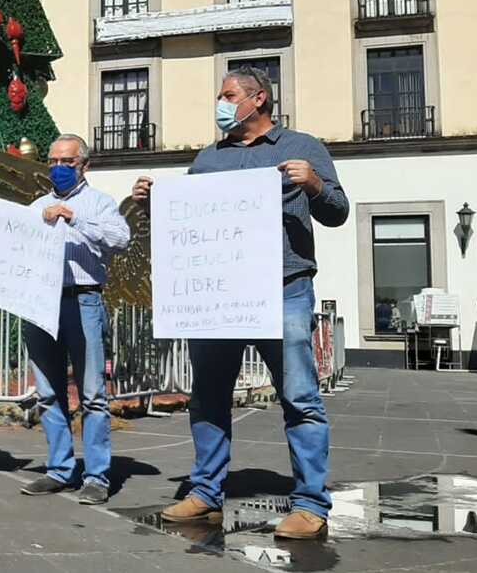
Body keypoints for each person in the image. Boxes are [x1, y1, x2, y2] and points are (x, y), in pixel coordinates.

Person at [131, 67, 349, 539]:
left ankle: (310, 503)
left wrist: (313, 184)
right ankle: (206, 492)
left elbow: (337, 212)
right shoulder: (208, 159)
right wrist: (154, 205)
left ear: (259, 100)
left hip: (284, 288)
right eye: (220, 96)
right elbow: (186, 227)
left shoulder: (303, 147)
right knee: (208, 396)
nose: (221, 103)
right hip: (219, 295)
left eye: (228, 95)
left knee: (300, 397)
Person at [0, 134, 130, 503]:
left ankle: (97, 476)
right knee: (49, 392)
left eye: (67, 162)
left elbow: (121, 238)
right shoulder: (37, 204)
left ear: (84, 165)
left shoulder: (99, 202)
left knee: (93, 394)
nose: (58, 169)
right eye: (53, 162)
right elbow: (19, 245)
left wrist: (73, 216)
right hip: (40, 302)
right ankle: (60, 469)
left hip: (83, 301)